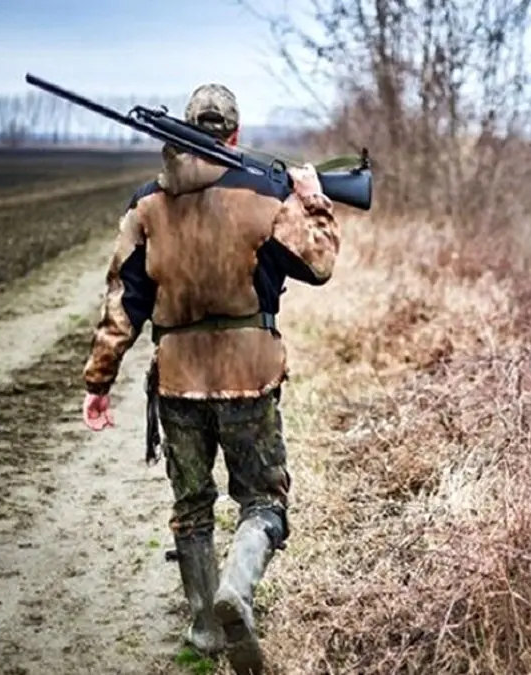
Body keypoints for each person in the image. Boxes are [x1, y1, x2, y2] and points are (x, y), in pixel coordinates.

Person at [77, 82, 341, 674]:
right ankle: (236, 592)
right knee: (264, 502)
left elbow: (124, 302)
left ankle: (204, 628)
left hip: (178, 381)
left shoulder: (147, 204)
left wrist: (98, 381)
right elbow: (319, 265)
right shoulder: (267, 195)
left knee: (191, 508)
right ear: (236, 136)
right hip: (250, 374)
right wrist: (312, 200)